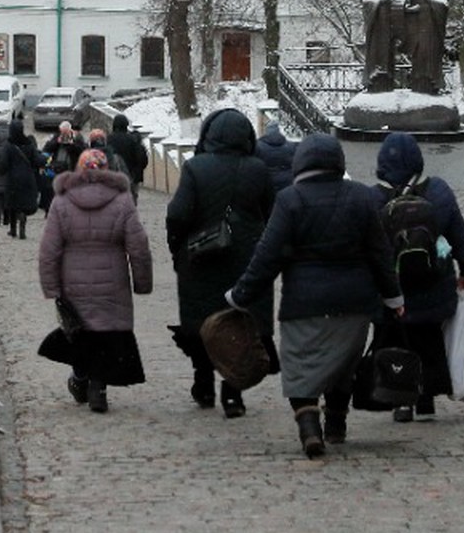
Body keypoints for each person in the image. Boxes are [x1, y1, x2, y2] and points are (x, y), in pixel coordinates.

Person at [228, 132, 403, 459]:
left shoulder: (290, 200)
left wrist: (240, 295)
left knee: (299, 368)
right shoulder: (362, 197)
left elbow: (267, 257)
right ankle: (336, 424)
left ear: (300, 163)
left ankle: (309, 427)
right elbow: (381, 253)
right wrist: (394, 298)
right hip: (354, 304)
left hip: (303, 305)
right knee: (342, 365)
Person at [166, 107, 275, 417]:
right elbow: (272, 213)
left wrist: (179, 247)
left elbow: (177, 214)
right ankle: (233, 392)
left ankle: (203, 383)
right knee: (240, 323)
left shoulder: (195, 168)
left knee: (202, 323)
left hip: (201, 259)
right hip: (247, 261)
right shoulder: (258, 169)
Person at [37, 148, 153, 414]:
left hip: (73, 280)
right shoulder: (123, 201)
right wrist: (142, 282)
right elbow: (138, 246)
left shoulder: (62, 201)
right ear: (106, 169)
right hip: (112, 279)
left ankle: (80, 378)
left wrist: (51, 286)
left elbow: (49, 249)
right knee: (105, 334)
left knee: (81, 331)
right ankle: (98, 387)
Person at [373, 131, 464, 422]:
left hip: (392, 288)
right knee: (429, 337)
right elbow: (458, 234)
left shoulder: (374, 197)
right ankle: (427, 397)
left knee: (395, 339)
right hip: (433, 282)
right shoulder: (439, 191)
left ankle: (400, 399)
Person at [403, 0, 448, 96]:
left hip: (433, 30)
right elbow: (407, 6)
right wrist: (411, 10)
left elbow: (444, 6)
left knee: (432, 57)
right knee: (419, 56)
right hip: (418, 30)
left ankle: (433, 83)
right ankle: (418, 82)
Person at [2, 112, 46, 240]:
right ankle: (22, 226)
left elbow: (4, 163)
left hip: (13, 178)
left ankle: (13, 229)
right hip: (27, 177)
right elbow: (36, 160)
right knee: (23, 203)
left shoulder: (9, 145)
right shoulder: (29, 144)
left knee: (13, 203)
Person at [362, 0, 400, 92]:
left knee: (389, 52)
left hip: (390, 26)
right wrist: (380, 1)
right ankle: (375, 74)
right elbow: (366, 3)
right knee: (376, 52)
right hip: (377, 26)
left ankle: (388, 75)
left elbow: (400, 1)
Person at [110, 113, 149, 199]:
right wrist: (137, 174)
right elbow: (141, 158)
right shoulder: (132, 140)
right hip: (131, 177)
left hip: (112, 177)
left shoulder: (108, 139)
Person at [254, 119, 295, 198]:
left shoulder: (258, 146)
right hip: (286, 184)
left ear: (266, 131)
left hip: (266, 183)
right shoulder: (290, 147)